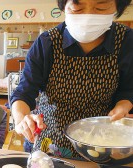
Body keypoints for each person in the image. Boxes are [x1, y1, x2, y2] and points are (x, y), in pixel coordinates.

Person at [11, 0, 133, 158]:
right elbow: (24, 92)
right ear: (64, 6)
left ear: (118, 7)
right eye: (78, 8)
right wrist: (22, 119)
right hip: (51, 141)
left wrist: (123, 106)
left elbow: (128, 89)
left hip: (103, 142)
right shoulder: (47, 43)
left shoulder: (126, 42)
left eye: (101, 7)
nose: (88, 17)